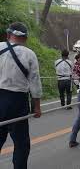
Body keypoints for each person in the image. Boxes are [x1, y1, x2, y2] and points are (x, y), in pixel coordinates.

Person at [0, 22, 42, 169]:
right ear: (25, 38)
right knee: (21, 143)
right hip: (17, 101)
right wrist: (36, 106)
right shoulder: (29, 54)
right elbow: (35, 82)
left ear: (8, 35)